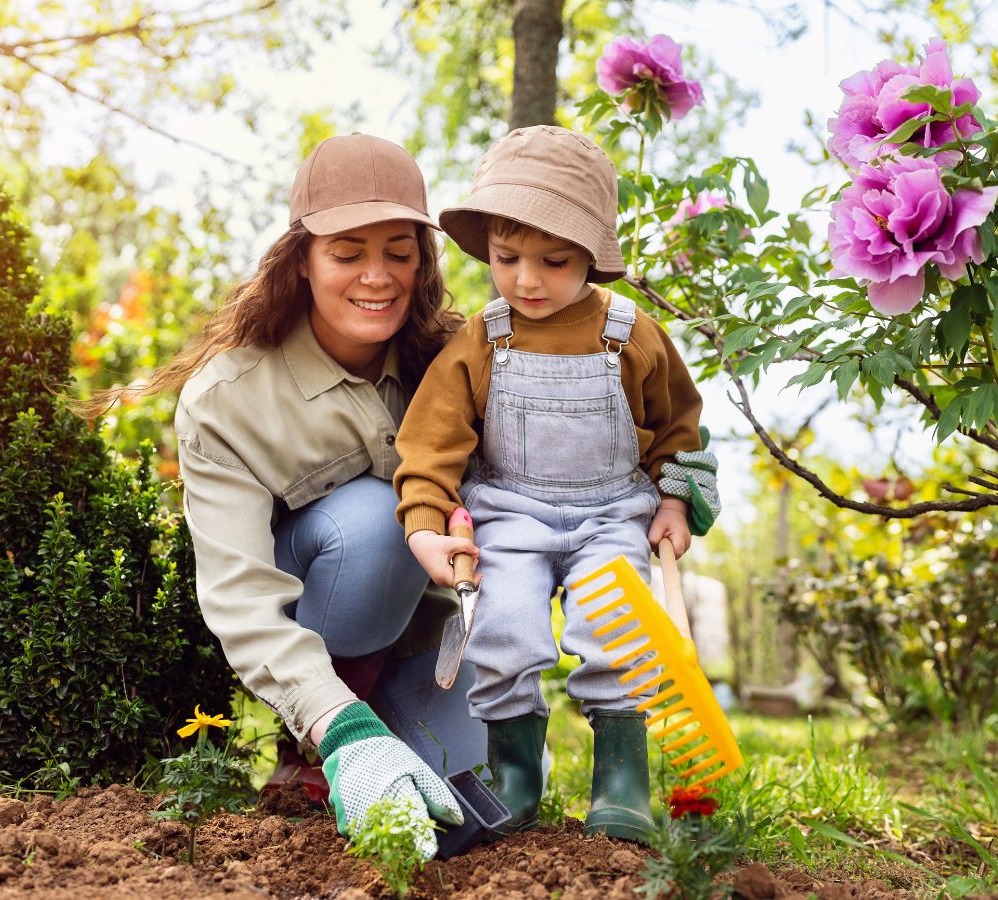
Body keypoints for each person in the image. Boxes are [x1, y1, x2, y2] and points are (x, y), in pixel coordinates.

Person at [393, 125, 720, 844]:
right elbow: (432, 439)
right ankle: (516, 775)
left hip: (613, 514)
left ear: (593, 256)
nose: (528, 280)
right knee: (503, 629)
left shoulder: (632, 333)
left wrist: (675, 499)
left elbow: (680, 429)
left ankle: (623, 782)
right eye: (508, 259)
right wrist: (423, 517)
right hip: (510, 511)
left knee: (620, 635)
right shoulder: (486, 336)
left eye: (554, 260)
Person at [163, 133, 486, 857]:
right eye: (347, 253)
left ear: (421, 260)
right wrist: (336, 721)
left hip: (427, 636)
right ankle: (319, 740)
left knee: (473, 822)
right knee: (377, 520)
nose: (377, 277)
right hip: (314, 626)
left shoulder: (456, 361)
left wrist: (672, 473)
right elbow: (242, 600)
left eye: (398, 251)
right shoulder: (230, 401)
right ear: (301, 260)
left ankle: (386, 718)